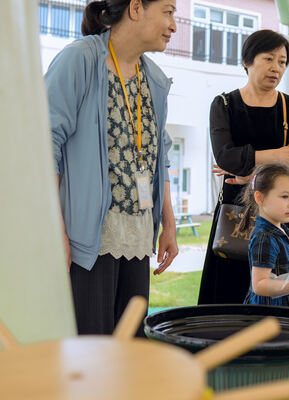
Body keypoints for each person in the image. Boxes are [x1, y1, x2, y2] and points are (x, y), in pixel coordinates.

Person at [47, 0, 179, 337]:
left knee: (129, 351)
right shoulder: (80, 60)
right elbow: (44, 145)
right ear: (136, 8)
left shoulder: (155, 79)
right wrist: (55, 231)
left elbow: (158, 155)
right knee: (90, 355)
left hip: (137, 237)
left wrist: (168, 224)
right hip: (86, 239)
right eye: (167, 11)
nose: (174, 25)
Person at [198, 29, 289, 305]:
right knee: (227, 294)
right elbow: (226, 157)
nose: (276, 67)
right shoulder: (224, 104)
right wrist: (278, 154)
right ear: (247, 61)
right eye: (268, 59)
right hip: (234, 213)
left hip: (280, 211)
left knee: (284, 299)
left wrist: (247, 177)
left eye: (282, 61)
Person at [238, 163, 289, 309]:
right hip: (273, 314)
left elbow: (284, 245)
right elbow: (259, 285)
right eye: (285, 196)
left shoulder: (280, 228)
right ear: (260, 198)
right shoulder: (264, 238)